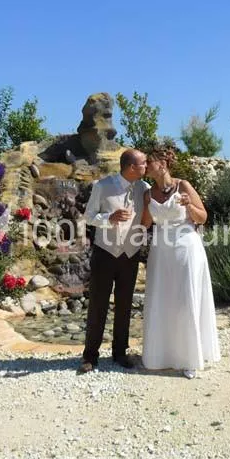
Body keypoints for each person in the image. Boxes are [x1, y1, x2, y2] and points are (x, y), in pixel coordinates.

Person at [140, 145, 220, 379]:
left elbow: (202, 217)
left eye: (149, 163)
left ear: (162, 164)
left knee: (187, 297)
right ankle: (162, 355)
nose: (146, 167)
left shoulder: (183, 185)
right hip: (160, 251)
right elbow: (145, 224)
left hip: (187, 247)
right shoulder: (148, 194)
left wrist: (189, 206)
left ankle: (190, 358)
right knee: (162, 299)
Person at [78, 149, 149, 374]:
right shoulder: (102, 186)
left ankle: (120, 353)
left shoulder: (144, 188)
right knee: (98, 305)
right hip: (105, 253)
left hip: (130, 254)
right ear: (131, 167)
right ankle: (90, 356)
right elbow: (89, 216)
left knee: (125, 305)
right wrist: (109, 218)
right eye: (143, 163)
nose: (146, 166)